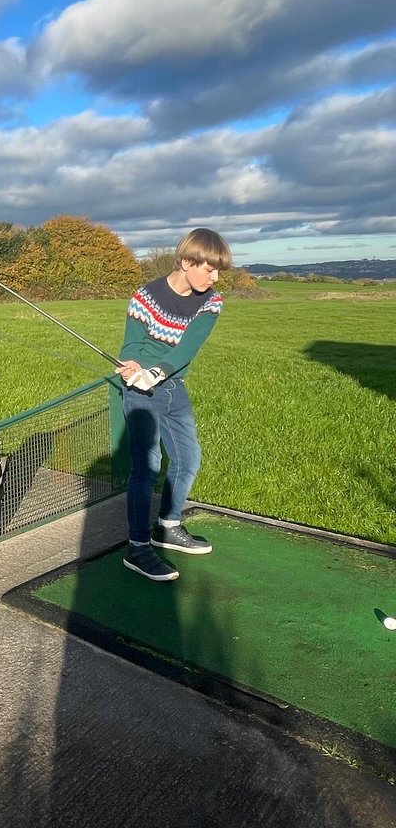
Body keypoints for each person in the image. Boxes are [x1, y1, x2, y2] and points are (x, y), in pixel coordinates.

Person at [116, 228, 232, 582]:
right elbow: (131, 345)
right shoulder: (145, 296)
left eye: (217, 271)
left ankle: (167, 525)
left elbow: (187, 349)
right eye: (209, 269)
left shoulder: (211, 301)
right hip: (140, 393)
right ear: (186, 262)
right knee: (147, 467)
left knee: (187, 458)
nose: (214, 277)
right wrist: (132, 367)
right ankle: (137, 547)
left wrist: (159, 371)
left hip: (172, 386)